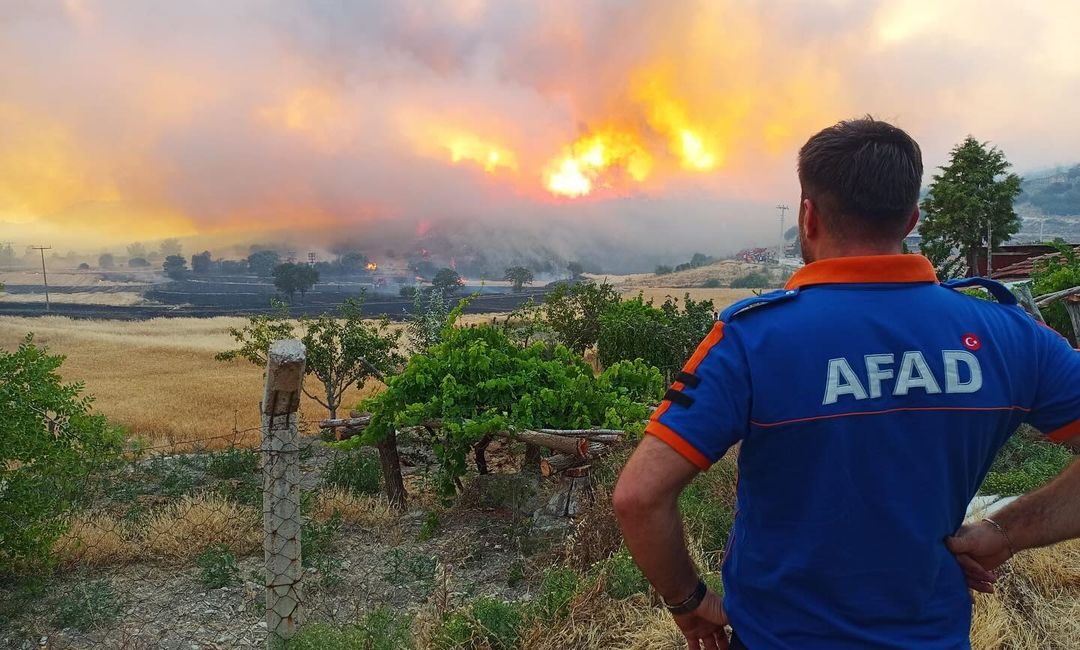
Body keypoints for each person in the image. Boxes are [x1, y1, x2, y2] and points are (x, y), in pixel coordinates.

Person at [613, 117, 1080, 650]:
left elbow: (639, 497)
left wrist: (688, 602)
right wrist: (1006, 532)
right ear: (911, 219)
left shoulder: (753, 339)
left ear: (807, 217)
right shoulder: (1009, 336)